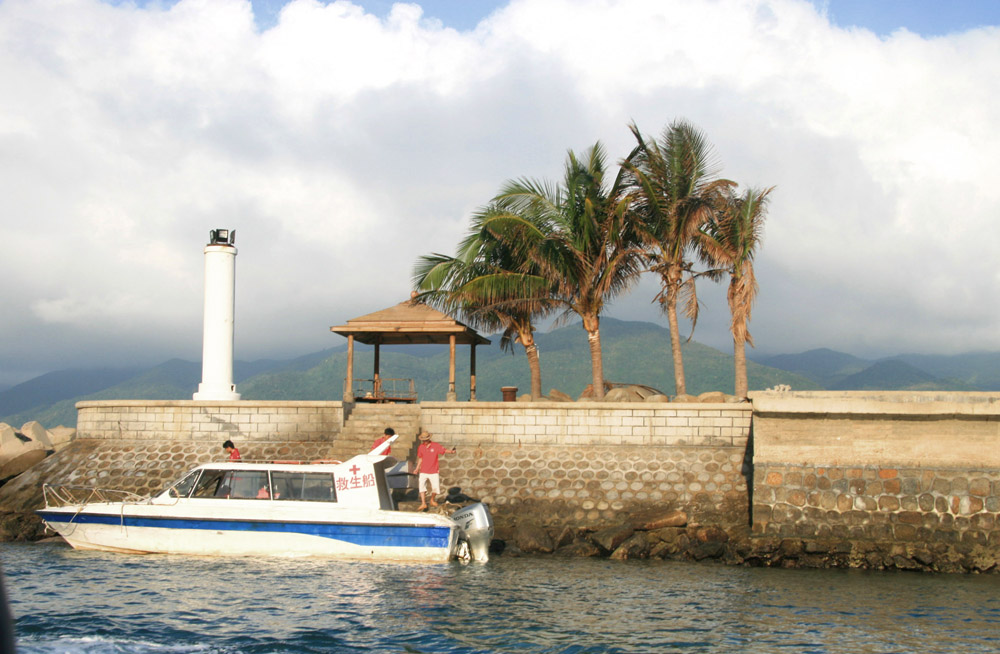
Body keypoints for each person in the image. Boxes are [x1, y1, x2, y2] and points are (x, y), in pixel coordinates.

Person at [414, 431, 455, 511]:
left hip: (433, 470)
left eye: (425, 440)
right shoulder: (421, 447)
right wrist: (417, 468)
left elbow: (443, 450)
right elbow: (420, 458)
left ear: (428, 439)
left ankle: (432, 499)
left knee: (435, 488)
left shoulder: (435, 446)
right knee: (421, 486)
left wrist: (451, 451)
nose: (424, 442)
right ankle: (423, 503)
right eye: (423, 440)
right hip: (423, 470)